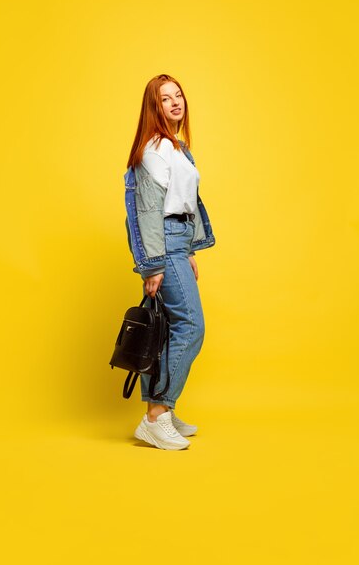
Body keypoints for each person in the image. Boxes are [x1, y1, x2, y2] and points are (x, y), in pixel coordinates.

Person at [124, 73, 216, 450]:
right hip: (164, 244)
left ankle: (163, 408)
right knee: (191, 326)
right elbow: (146, 211)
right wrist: (153, 265)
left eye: (178, 95)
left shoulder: (177, 147)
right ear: (154, 107)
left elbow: (185, 201)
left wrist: (191, 249)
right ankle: (155, 416)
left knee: (170, 330)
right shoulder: (152, 150)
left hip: (178, 243)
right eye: (166, 99)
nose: (176, 102)